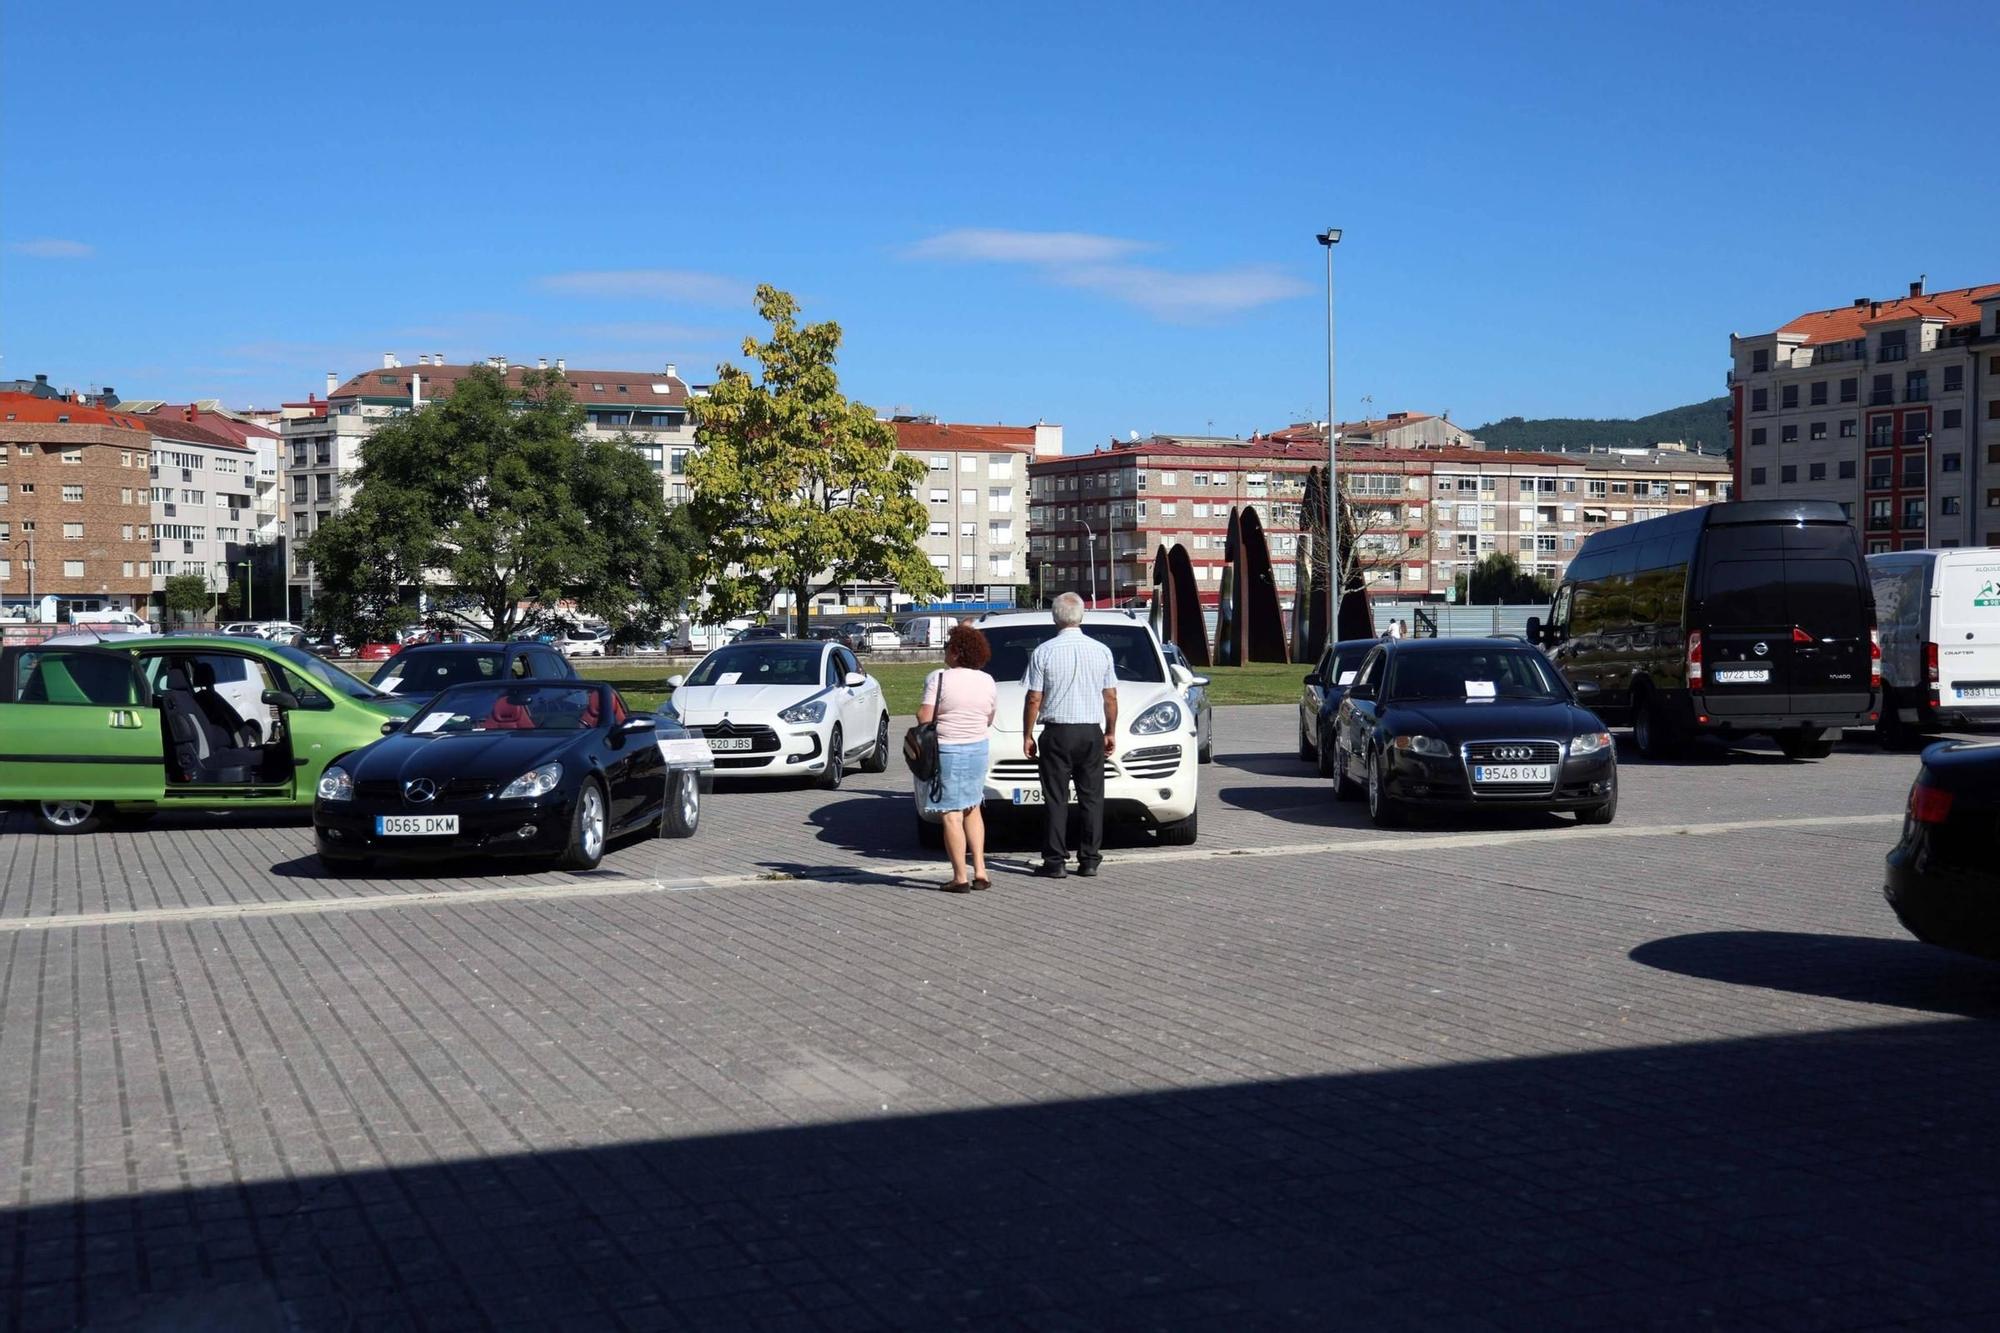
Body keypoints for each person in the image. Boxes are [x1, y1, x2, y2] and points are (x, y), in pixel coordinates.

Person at [1021, 591, 1119, 879]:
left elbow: (1034, 698)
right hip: (1090, 730)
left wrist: (1028, 734)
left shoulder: (1044, 651)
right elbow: (1110, 696)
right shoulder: (1101, 650)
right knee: (1092, 797)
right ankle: (1089, 858)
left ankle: (1055, 860)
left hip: (1057, 731)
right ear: (1082, 616)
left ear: (1055, 618)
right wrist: (1110, 729)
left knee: (1056, 797)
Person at [918, 623, 998, 892]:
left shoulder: (938, 678)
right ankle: (981, 870)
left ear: (954, 651)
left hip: (948, 749)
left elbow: (924, 717)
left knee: (950, 814)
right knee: (973, 807)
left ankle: (959, 877)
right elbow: (990, 717)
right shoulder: (986, 680)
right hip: (978, 747)